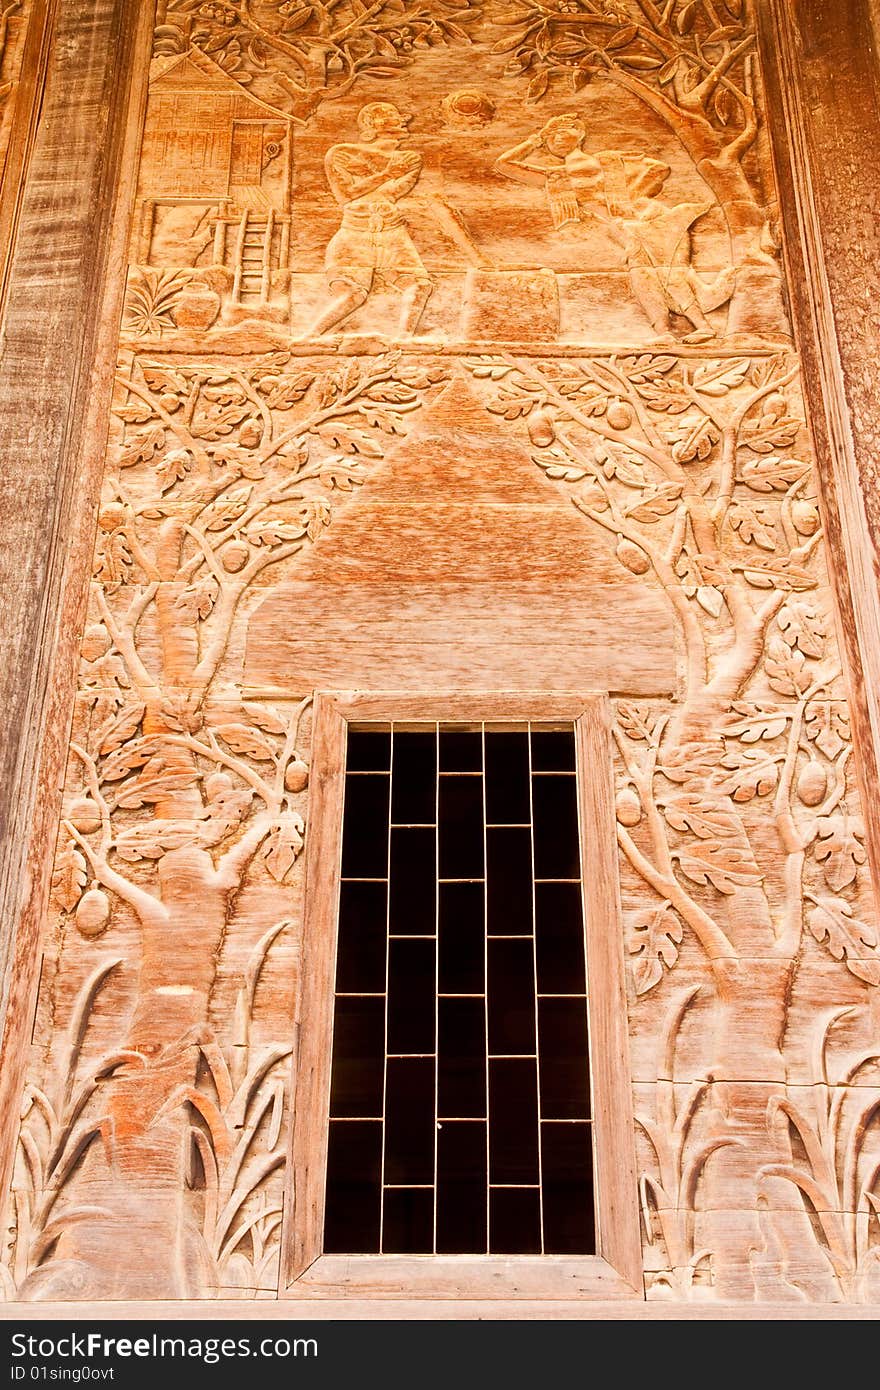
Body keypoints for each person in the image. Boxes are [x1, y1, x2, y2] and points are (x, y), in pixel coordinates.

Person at [495, 117, 734, 343]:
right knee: (643, 278)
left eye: (563, 130)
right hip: (623, 230)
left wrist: (630, 196)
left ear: (580, 133)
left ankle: (703, 327)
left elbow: (658, 168)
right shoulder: (556, 176)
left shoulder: (608, 160)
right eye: (550, 136)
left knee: (670, 274)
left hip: (652, 219)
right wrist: (534, 140)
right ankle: (664, 331)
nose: (555, 138)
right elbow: (503, 164)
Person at [307, 102, 433, 338]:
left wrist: (367, 181)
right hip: (356, 229)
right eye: (389, 116)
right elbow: (346, 194)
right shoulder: (341, 152)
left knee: (420, 285)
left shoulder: (410, 157)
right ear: (370, 126)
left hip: (391, 229)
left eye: (397, 114)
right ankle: (309, 338)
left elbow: (391, 192)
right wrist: (386, 174)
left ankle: (403, 342)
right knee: (352, 293)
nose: (400, 119)